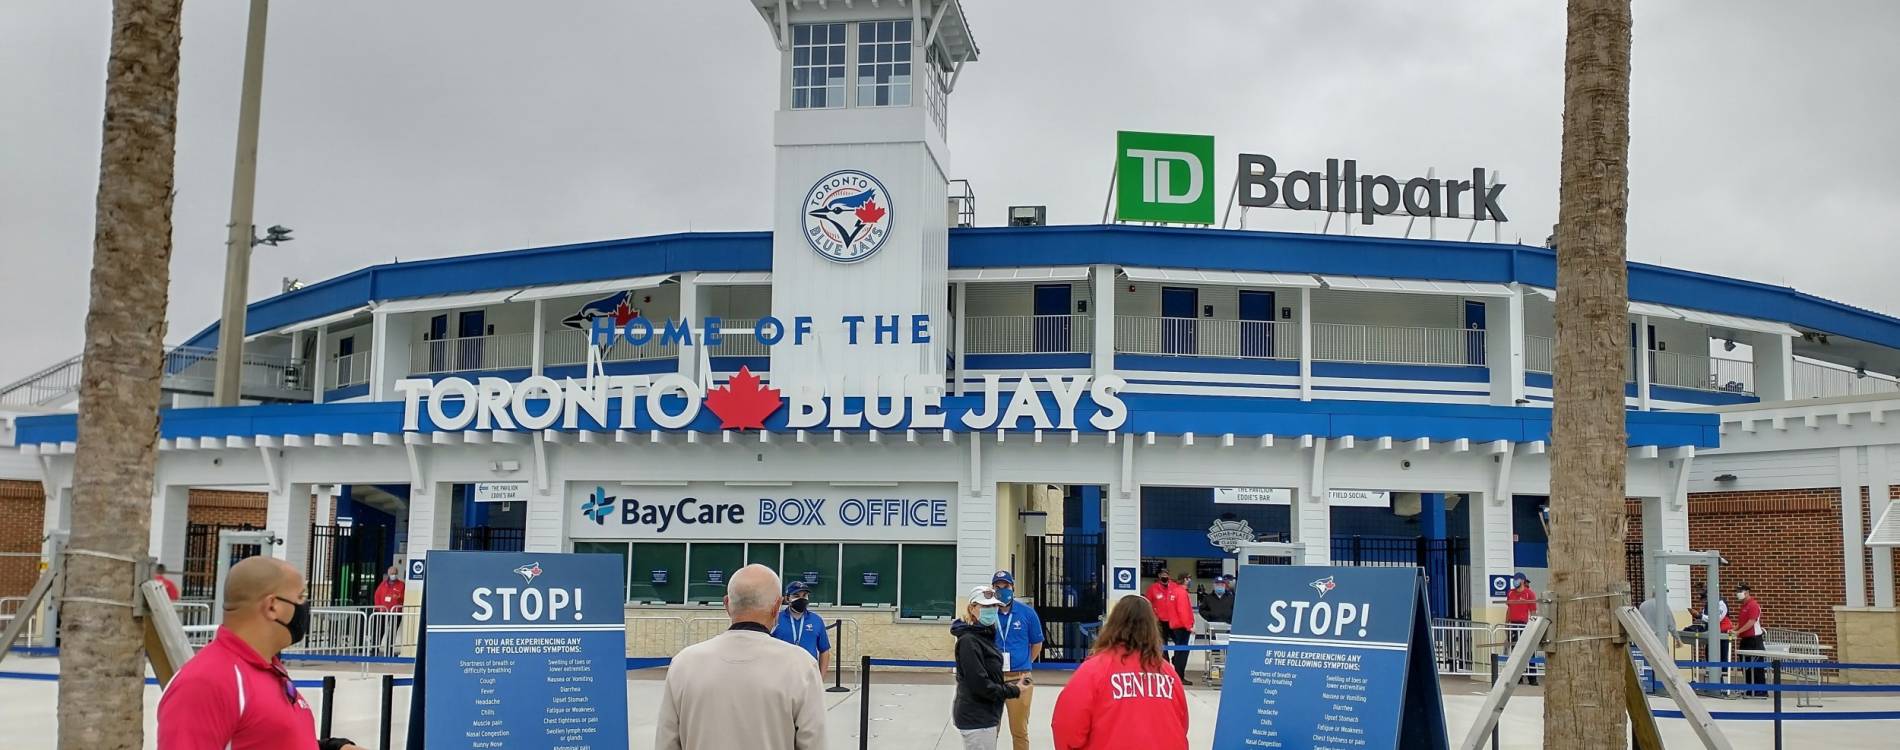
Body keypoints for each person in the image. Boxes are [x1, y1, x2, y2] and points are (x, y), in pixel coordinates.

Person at [655, 564, 826, 750]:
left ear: (727, 604)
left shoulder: (684, 664)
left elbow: (666, 742)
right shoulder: (801, 666)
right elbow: (814, 743)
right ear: (777, 606)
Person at [156, 556, 317, 749]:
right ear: (272, 606)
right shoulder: (207, 682)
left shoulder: (267, 667)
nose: (305, 607)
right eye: (301, 597)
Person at [1051, 596, 1188, 750]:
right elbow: (1182, 724)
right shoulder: (1168, 673)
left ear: (1113, 624)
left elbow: (1067, 726)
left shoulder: (1094, 670)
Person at [952, 585, 1020, 749]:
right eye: (986, 606)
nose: (991, 610)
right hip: (976, 717)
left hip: (986, 715)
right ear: (972, 608)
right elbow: (979, 684)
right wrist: (1012, 690)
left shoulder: (984, 636)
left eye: (994, 606)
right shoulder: (969, 641)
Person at [988, 569, 1043, 750]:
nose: (1003, 590)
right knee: (989, 730)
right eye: (998, 587)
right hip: (992, 679)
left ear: (1013, 587)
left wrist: (1024, 665)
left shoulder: (1027, 613)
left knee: (1019, 731)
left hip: (1019, 678)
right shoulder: (987, 614)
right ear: (993, 589)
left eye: (1006, 586)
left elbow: (1036, 644)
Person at [772, 580, 832, 674]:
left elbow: (824, 651)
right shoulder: (775, 619)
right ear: (787, 599)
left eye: (804, 595)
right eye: (796, 596)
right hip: (781, 674)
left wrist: (820, 679)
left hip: (809, 674)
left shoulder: (816, 620)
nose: (801, 599)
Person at [1145, 570, 1195, 685]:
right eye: (1162, 575)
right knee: (1164, 646)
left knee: (1180, 649)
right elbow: (1148, 603)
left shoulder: (1175, 588)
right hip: (1162, 621)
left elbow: (1179, 608)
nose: (1165, 577)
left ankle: (1177, 667)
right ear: (1159, 576)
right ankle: (1166, 669)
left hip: (1173, 622)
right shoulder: (1153, 588)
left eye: (1167, 575)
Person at [1504, 573, 1538, 685]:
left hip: (1525, 624)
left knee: (1529, 650)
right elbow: (1509, 609)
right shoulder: (1510, 593)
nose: (1515, 582)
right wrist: (1506, 624)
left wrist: (1532, 626)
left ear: (1522, 581)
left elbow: (1533, 611)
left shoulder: (1530, 594)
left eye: (1517, 580)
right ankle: (1518, 677)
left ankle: (1532, 677)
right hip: (1513, 625)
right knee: (1515, 651)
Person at [1735, 583, 1767, 697]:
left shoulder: (1753, 605)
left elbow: (1751, 622)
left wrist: (1738, 632)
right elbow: (1742, 623)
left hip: (1754, 640)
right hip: (1745, 639)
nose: (1738, 593)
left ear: (1747, 592)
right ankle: (1749, 689)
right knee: (1746, 666)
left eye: (1740, 591)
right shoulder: (1743, 606)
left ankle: (1760, 691)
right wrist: (1734, 629)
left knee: (1756, 666)